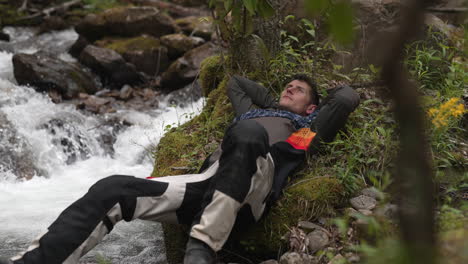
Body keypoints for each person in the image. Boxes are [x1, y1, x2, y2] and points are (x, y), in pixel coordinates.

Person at [1, 74, 359, 264]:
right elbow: (237, 82)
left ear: (312, 108)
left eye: (299, 91)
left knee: (248, 134)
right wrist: (270, 106)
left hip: (252, 191)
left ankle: (201, 249)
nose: (290, 88)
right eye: (287, 85)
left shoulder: (305, 131)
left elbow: (345, 98)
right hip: (206, 184)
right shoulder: (249, 115)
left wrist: (294, 113)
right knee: (113, 188)